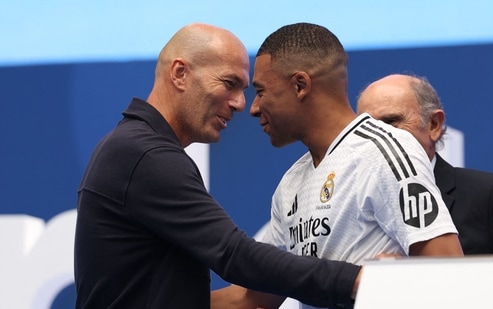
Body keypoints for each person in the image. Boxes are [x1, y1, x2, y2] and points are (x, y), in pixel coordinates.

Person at [73, 22, 367, 309]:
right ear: (180, 73)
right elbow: (233, 255)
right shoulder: (145, 155)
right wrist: (357, 279)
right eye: (229, 84)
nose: (241, 104)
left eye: (245, 89)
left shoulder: (134, 148)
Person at [211, 22, 463, 309]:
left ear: (300, 85)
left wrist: (395, 284)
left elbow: (448, 272)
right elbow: (253, 296)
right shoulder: (291, 184)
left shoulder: (385, 151)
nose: (253, 107)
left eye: (261, 91)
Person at [357, 73, 493, 254]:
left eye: (390, 122)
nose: (377, 137)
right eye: (367, 128)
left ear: (434, 125)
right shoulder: (346, 205)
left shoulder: (492, 197)